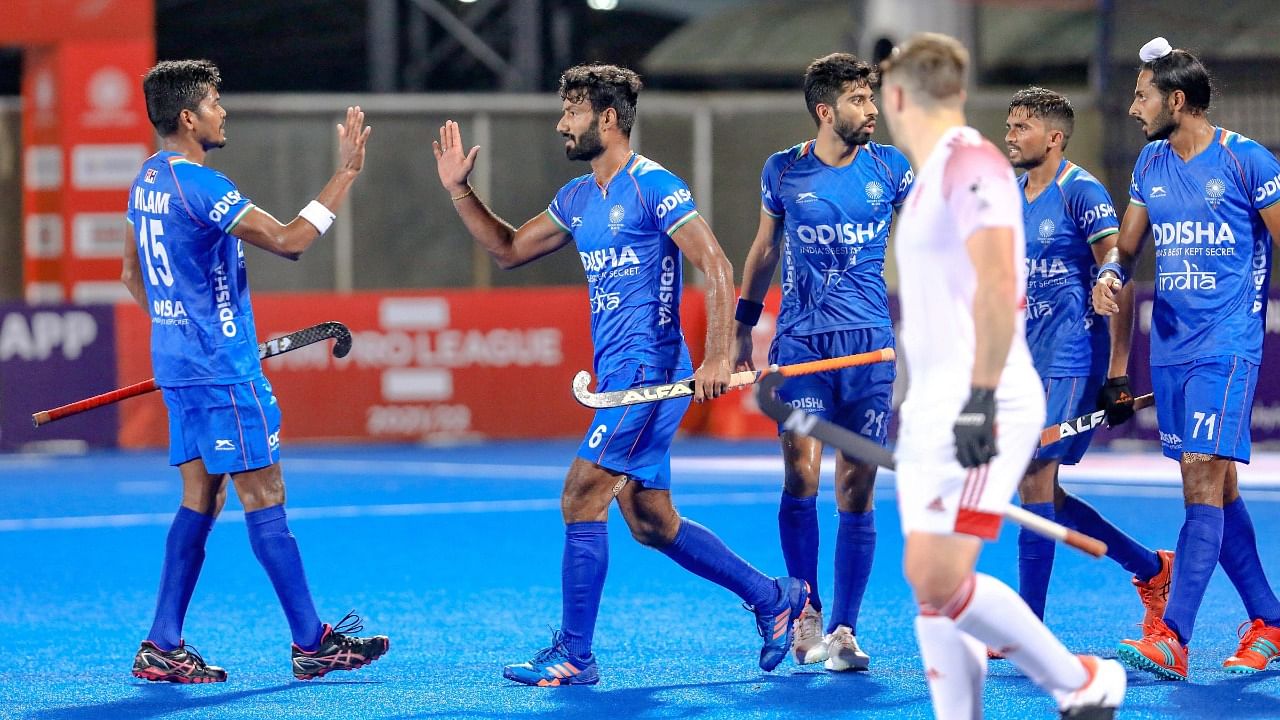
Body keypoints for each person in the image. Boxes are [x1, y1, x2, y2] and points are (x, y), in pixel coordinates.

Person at [432, 63, 809, 687]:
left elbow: (714, 265)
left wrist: (719, 353)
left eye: (571, 112)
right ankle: (773, 598)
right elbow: (507, 249)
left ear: (607, 118)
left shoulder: (653, 184)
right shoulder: (577, 199)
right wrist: (460, 192)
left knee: (581, 495)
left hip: (651, 376)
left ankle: (575, 655)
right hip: (618, 378)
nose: (561, 124)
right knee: (650, 519)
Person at [879, 33, 1126, 718]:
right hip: (934, 404)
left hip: (985, 396)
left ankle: (1080, 679)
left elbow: (995, 283)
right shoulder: (932, 176)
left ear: (898, 98)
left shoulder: (972, 164)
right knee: (931, 591)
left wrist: (980, 400)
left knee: (938, 575)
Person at [122, 59, 389, 683]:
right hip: (222, 373)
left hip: (182, 368)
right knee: (264, 499)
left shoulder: (145, 181)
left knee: (201, 497)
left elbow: (131, 276)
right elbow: (291, 240)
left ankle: (162, 644)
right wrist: (345, 175)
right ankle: (311, 642)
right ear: (188, 117)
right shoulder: (203, 187)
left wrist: (184, 328)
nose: (224, 112)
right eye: (215, 102)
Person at [1092, 36, 1280, 681]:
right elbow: (1128, 247)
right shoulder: (1149, 164)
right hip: (1169, 349)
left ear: (1177, 99)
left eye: (1141, 96)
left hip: (1227, 345)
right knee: (1218, 490)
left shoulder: (1247, 161)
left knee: (1202, 480)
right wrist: (1112, 274)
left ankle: (1173, 636)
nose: (1132, 107)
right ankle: (1271, 622)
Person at [733, 52, 911, 671]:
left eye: (872, 99)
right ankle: (803, 609)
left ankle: (843, 630)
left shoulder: (891, 169)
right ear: (824, 110)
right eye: (859, 102)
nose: (871, 111)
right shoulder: (783, 170)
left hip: (871, 352)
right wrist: (742, 327)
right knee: (801, 477)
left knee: (857, 490)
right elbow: (762, 250)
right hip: (804, 349)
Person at [1003, 87, 1172, 628]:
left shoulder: (1082, 191)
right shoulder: (1008, 193)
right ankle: (1149, 567)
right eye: (1008, 125)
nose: (1009, 135)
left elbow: (1116, 278)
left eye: (1021, 127)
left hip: (1073, 359)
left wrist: (1119, 373)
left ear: (1053, 137)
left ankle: (1027, 624)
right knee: (1042, 490)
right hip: (1026, 362)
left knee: (1032, 478)